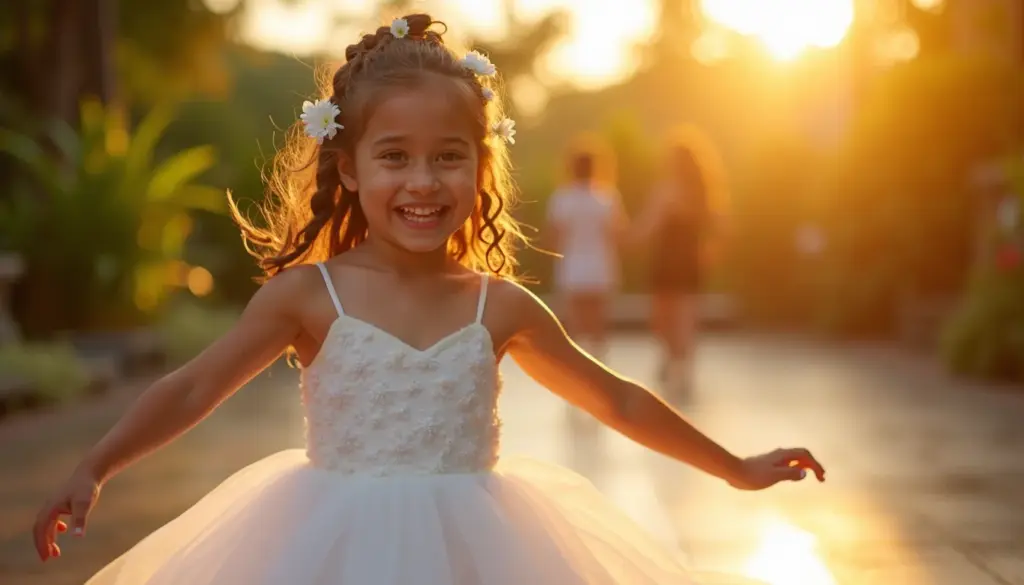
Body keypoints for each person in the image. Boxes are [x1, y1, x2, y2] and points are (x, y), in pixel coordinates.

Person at [33, 15, 824, 584]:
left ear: (480, 168)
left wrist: (732, 467)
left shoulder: (500, 307)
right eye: (395, 156)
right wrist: (98, 464)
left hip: (481, 551)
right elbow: (195, 386)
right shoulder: (308, 296)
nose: (422, 181)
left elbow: (615, 398)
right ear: (348, 169)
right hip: (328, 547)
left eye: (449, 157)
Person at [632, 127, 728, 397]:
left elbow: (648, 226)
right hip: (690, 261)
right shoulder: (705, 192)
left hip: (666, 260)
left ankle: (672, 363)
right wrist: (712, 250)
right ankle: (683, 369)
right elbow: (721, 226)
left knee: (663, 318)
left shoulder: (667, 190)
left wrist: (624, 238)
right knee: (686, 317)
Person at [544, 137, 625, 364]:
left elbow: (553, 237)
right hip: (601, 264)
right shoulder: (607, 197)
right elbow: (617, 234)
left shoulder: (561, 198)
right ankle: (601, 366)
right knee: (599, 323)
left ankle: (578, 369)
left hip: (572, 266)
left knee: (575, 324)